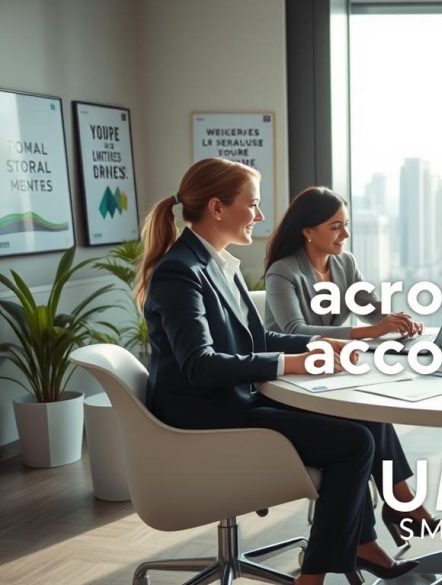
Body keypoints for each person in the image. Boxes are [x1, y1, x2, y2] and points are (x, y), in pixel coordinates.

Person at [137, 158, 416, 585]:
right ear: (217, 208)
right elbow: (199, 365)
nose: (260, 215)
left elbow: (257, 339)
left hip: (232, 401)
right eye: (252, 204)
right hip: (206, 419)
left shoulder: (217, 263)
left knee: (361, 417)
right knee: (354, 443)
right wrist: (291, 362)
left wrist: (319, 343)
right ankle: (315, 576)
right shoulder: (181, 271)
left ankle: (363, 542)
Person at [263, 186, 442, 544]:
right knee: (363, 421)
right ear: (308, 231)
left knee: (370, 411)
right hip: (291, 383)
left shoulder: (344, 263)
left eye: (345, 225)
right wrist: (369, 331)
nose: (345, 235)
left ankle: (399, 506)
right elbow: (293, 331)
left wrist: (395, 321)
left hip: (328, 373)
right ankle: (402, 507)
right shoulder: (283, 272)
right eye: (335, 227)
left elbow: (370, 307)